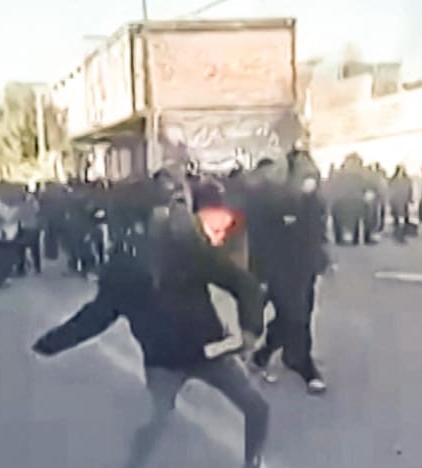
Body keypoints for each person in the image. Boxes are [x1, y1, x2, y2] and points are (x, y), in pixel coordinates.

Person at [33, 171, 269, 468]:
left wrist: (250, 328)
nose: (173, 214)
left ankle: (252, 464)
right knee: (155, 422)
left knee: (256, 408)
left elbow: (242, 282)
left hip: (207, 350)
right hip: (164, 361)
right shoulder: (125, 265)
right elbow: (97, 316)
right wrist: (51, 343)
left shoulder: (186, 247)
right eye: (165, 208)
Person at [245, 156, 329, 394]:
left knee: (296, 314)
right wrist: (259, 273)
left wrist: (320, 259)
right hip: (280, 268)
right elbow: (259, 239)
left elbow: (316, 233)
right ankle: (304, 365)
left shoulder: (312, 201)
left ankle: (266, 354)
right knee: (295, 315)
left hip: (304, 267)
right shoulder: (268, 199)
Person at [388, 164, 414, 243]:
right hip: (396, 200)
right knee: (396, 216)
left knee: (405, 216)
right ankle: (397, 232)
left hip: (404, 199)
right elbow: (390, 190)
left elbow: (410, 189)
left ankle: (403, 232)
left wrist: (410, 198)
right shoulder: (393, 180)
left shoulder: (407, 180)